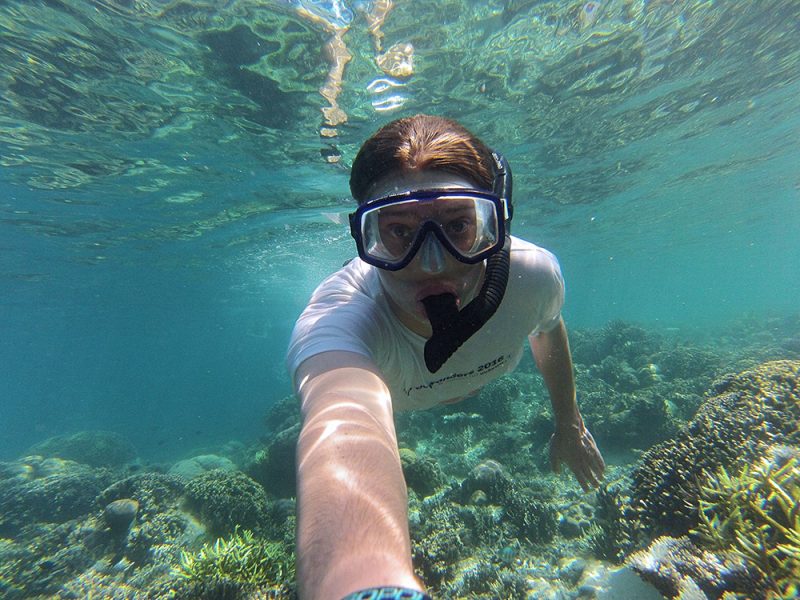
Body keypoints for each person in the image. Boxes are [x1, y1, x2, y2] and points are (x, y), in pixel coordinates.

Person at [286, 115, 605, 600]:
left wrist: (569, 420)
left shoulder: (532, 277)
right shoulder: (340, 318)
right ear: (364, 237)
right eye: (397, 231)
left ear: (492, 223)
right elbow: (341, 415)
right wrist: (364, 585)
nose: (432, 263)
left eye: (458, 225)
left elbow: (547, 330)